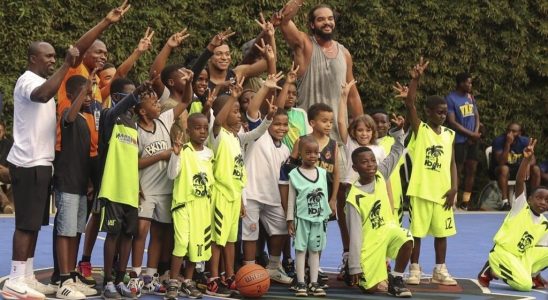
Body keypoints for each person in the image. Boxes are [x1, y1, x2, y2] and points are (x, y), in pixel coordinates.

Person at [1, 40, 79, 299]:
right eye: (47, 56)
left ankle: (26, 276)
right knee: (25, 225)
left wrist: (105, 23)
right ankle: (14, 280)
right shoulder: (27, 81)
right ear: (33, 58)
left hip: (41, 163)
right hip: (28, 164)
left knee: (34, 225)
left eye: (56, 57)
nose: (53, 60)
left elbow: (76, 50)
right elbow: (43, 95)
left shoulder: (46, 81)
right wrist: (68, 64)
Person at [206, 78, 275, 297]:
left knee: (230, 241)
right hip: (220, 196)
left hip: (235, 197)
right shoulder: (216, 135)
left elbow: (255, 134)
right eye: (234, 111)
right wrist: (233, 97)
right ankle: (214, 278)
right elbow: (217, 121)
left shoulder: (236, 138)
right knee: (217, 241)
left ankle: (229, 275)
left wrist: (268, 120)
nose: (238, 114)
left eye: (238, 111)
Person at [129, 68, 193, 295]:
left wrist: (189, 82)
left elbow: (186, 99)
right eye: (153, 103)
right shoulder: (135, 130)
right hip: (146, 189)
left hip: (166, 188)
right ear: (142, 112)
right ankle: (135, 274)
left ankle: (150, 274)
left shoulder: (165, 120)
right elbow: (134, 163)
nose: (158, 104)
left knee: (160, 234)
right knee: (141, 231)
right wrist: (162, 155)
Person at [274, 1, 363, 143]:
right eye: (321, 19)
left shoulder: (344, 53)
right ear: (312, 25)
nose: (327, 22)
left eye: (330, 18)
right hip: (308, 140)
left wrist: (362, 128)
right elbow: (284, 22)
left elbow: (352, 95)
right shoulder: (305, 46)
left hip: (338, 140)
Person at [97, 81, 155, 299]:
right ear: (116, 97)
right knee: (112, 235)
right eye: (130, 96)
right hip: (113, 189)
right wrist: (137, 93)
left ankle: (121, 278)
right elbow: (116, 110)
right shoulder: (109, 117)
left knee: (128, 235)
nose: (135, 100)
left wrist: (138, 186)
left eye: (137, 95)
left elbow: (132, 158)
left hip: (130, 190)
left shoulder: (133, 125)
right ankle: (108, 282)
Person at [403, 58, 458, 286]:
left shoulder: (449, 134)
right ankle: (414, 269)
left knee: (441, 234)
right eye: (438, 112)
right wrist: (415, 80)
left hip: (443, 193)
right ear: (428, 112)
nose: (442, 115)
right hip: (421, 191)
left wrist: (454, 188)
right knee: (417, 233)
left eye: (445, 112)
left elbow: (452, 163)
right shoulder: (421, 129)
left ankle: (440, 269)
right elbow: (409, 104)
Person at [346, 118, 413, 297]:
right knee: (370, 290)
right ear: (355, 167)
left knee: (407, 238)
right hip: (369, 245)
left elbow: (396, 151)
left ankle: (396, 278)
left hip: (388, 231)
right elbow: (355, 235)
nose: (370, 165)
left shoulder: (381, 174)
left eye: (372, 161)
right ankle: (360, 272)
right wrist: (354, 266)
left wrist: (398, 132)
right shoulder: (353, 198)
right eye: (365, 162)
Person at [477, 138, 548, 291]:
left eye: (547, 200)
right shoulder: (520, 207)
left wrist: (533, 266)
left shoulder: (544, 224)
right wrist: (526, 160)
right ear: (529, 199)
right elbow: (520, 181)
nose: (543, 202)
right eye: (539, 198)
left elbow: (540, 250)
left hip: (520, 257)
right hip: (503, 253)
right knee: (524, 285)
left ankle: (532, 273)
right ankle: (491, 268)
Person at [53, 74, 99, 299]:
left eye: (90, 93)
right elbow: (70, 114)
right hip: (67, 183)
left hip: (81, 184)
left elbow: (86, 154)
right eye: (84, 93)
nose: (89, 96)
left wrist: (90, 180)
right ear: (72, 95)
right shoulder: (67, 114)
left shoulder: (85, 119)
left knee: (75, 232)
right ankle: (62, 280)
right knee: (65, 230)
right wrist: (85, 89)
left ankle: (71, 275)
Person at [337, 81, 387, 278]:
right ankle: (349, 261)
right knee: (349, 230)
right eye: (360, 130)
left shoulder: (379, 150)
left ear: (373, 132)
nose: (364, 134)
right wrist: (343, 97)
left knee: (369, 230)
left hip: (372, 196)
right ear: (353, 132)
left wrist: (388, 201)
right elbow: (341, 122)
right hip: (349, 192)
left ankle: (371, 264)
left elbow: (385, 179)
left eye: (368, 130)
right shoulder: (350, 144)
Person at [164, 113, 214, 300]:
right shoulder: (183, 151)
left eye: (205, 128)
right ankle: (173, 281)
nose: (202, 131)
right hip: (184, 204)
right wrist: (175, 156)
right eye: (197, 128)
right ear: (188, 131)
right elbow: (171, 175)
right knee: (182, 243)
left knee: (196, 246)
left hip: (202, 206)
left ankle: (188, 281)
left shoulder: (210, 154)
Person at [242, 100, 291, 285]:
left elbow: (283, 180)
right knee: (250, 234)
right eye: (277, 124)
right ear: (268, 123)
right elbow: (253, 110)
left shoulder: (286, 150)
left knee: (281, 228)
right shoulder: (259, 136)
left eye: (285, 124)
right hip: (251, 194)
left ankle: (273, 267)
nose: (281, 128)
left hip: (273, 197)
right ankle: (248, 269)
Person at [286, 136, 332, 297]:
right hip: (302, 219)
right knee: (300, 250)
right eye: (308, 152)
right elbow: (291, 199)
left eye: (315, 152)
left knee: (314, 250)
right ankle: (300, 282)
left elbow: (324, 195)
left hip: (319, 219)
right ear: (300, 154)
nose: (312, 156)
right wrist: (290, 219)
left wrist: (326, 214)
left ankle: (313, 282)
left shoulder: (322, 173)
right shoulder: (294, 174)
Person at [446, 72, 481, 210]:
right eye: (468, 82)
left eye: (471, 83)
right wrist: (470, 134)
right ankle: (453, 202)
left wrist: (475, 133)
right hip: (459, 140)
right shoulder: (450, 98)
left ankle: (465, 202)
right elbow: (452, 122)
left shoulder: (470, 97)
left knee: (471, 170)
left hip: (473, 140)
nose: (470, 85)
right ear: (460, 83)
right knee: (457, 170)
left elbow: (476, 116)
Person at [491, 122, 541, 210]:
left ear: (520, 133)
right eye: (508, 131)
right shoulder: (499, 141)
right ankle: (505, 203)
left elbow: (533, 160)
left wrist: (527, 164)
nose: (510, 133)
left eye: (514, 131)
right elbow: (501, 162)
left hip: (519, 170)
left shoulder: (525, 141)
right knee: (504, 169)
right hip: (501, 171)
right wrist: (507, 144)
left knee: (536, 169)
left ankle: (533, 201)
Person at [372, 109, 406, 226]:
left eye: (383, 122)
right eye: (376, 122)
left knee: (394, 234)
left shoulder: (393, 142)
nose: (379, 125)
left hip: (394, 197)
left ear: (389, 125)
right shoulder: (366, 144)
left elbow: (400, 141)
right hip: (373, 196)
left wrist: (399, 129)